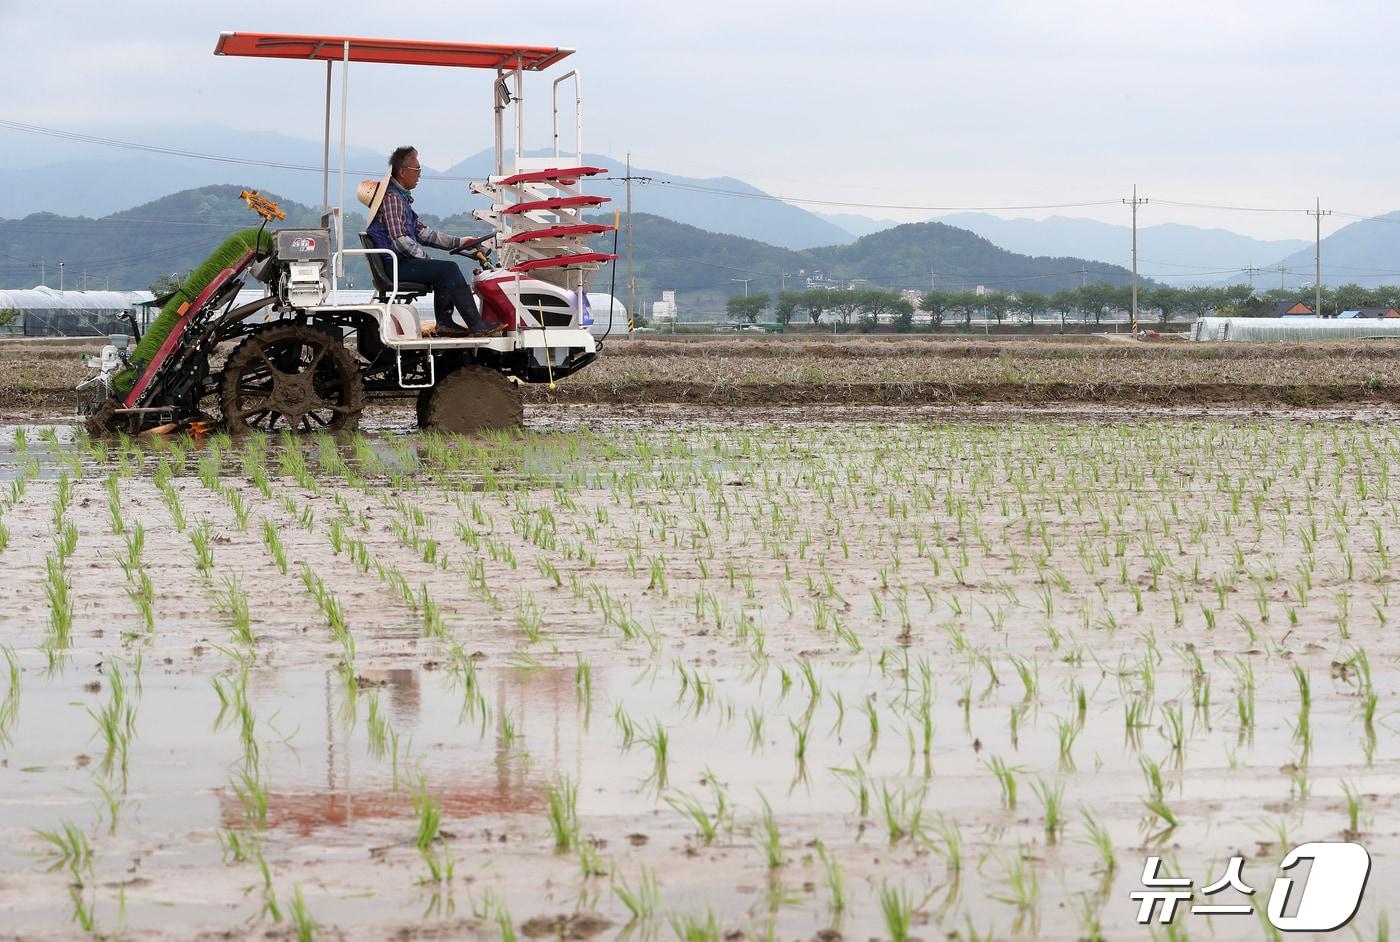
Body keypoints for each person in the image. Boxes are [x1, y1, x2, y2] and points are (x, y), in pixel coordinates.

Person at [362, 146, 503, 338]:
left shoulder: (401, 199)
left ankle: (446, 323)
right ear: (402, 172)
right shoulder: (393, 199)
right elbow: (400, 240)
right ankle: (475, 324)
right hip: (395, 266)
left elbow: (425, 234)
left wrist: (460, 242)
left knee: (444, 269)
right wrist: (427, 260)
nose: (419, 174)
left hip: (398, 263)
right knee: (447, 269)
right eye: (417, 170)